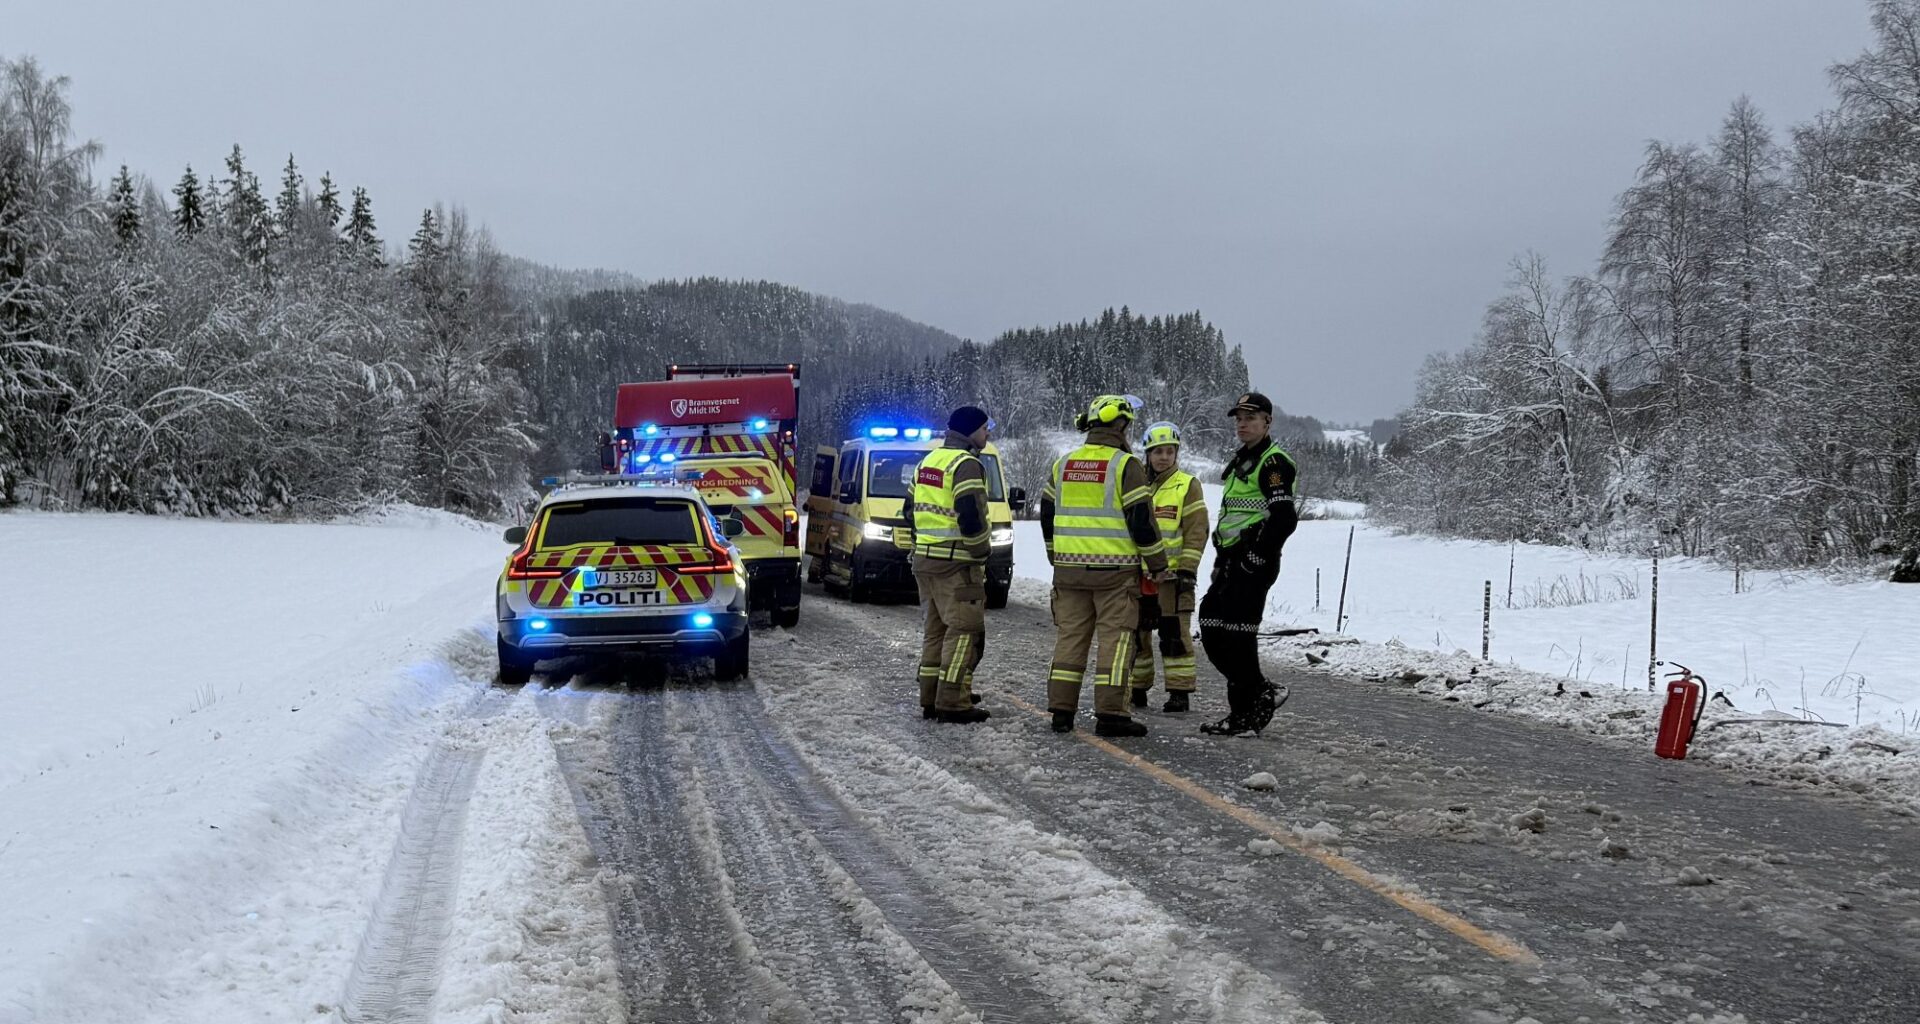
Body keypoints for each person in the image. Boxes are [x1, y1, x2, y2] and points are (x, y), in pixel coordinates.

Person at [1041, 394, 1170, 737]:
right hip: (1115, 574)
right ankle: (1111, 713)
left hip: (1068, 572)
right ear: (1122, 424)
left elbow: (1047, 513)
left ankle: (1061, 711)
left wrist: (1055, 554)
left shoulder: (1064, 464)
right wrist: (1158, 565)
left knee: (1070, 639)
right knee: (1116, 641)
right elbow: (1141, 520)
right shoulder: (1125, 465)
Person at [1197, 392, 1298, 737]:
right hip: (1229, 560)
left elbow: (1284, 518)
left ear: (1267, 422)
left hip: (1253, 562)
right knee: (1211, 626)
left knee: (1238, 637)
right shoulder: (1243, 460)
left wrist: (1256, 558)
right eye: (1239, 418)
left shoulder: (1273, 463)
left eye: (1250, 417)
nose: (1242, 423)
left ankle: (1243, 716)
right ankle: (1261, 691)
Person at [906, 406, 994, 723]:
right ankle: (953, 701)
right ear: (971, 431)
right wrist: (982, 551)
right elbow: (970, 514)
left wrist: (923, 544)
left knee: (936, 631)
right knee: (964, 631)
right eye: (985, 428)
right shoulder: (967, 464)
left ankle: (930, 696)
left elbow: (908, 511)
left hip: (925, 560)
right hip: (956, 563)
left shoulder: (929, 461)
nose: (988, 433)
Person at [1129, 422, 1208, 713]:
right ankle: (1138, 689)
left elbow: (1197, 531)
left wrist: (1188, 570)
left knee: (1175, 636)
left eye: (1169, 451)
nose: (1163, 457)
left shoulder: (1187, 485)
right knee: (1137, 635)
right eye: (1157, 452)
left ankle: (1179, 692)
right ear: (1147, 454)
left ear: (1176, 454)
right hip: (1139, 575)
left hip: (1173, 578)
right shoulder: (1137, 485)